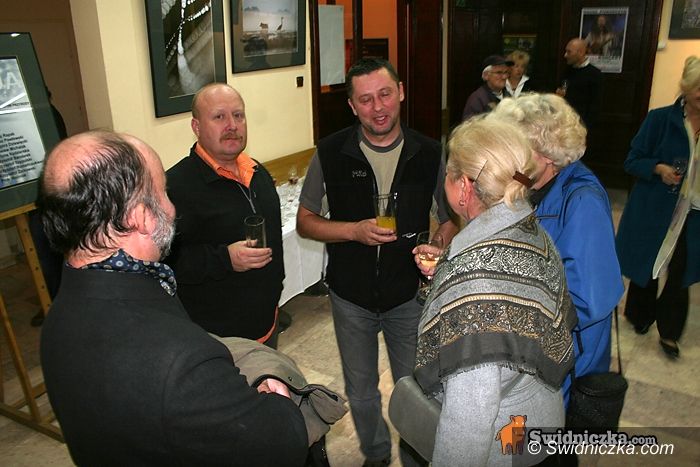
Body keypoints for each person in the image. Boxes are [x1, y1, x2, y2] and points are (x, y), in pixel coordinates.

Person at [36, 130, 308, 465]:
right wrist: (276, 391)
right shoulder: (179, 361)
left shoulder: (58, 320)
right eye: (163, 192)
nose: (172, 206)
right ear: (139, 217)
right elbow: (282, 444)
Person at [297, 57, 458, 467]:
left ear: (400, 92)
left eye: (385, 94)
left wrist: (438, 242)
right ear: (352, 106)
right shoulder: (331, 152)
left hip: (408, 295)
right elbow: (305, 221)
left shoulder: (429, 152)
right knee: (362, 390)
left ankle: (414, 455)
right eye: (365, 100)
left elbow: (452, 218)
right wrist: (353, 231)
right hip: (350, 297)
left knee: (416, 389)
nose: (378, 107)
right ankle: (376, 454)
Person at [413, 117, 576, 466]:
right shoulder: (533, 232)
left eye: (448, 173)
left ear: (464, 187)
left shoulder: (473, 289)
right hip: (542, 414)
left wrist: (460, 278)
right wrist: (449, 269)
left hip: (503, 439)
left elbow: (470, 418)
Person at [490, 93, 624, 407]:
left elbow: (589, 300)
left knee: (548, 432)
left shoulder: (583, 201)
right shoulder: (528, 182)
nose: (511, 160)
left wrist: (516, 322)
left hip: (566, 359)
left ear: (549, 154)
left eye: (519, 151)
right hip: (535, 351)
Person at [166, 83, 283, 346]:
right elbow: (165, 263)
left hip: (267, 322)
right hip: (218, 339)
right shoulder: (174, 187)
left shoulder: (257, 172)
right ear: (196, 127)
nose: (232, 125)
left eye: (238, 115)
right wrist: (225, 259)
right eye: (219, 117)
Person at [616, 55, 700, 359]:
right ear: (686, 87)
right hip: (656, 206)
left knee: (681, 269)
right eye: (699, 87)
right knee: (649, 262)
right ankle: (640, 315)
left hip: (694, 213)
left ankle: (670, 332)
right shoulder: (660, 119)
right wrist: (658, 168)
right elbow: (632, 160)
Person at [556, 38, 603, 129]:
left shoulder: (595, 75)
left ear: (580, 53)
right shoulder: (567, 71)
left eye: (569, 52)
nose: (565, 55)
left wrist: (584, 127)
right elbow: (562, 90)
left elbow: (595, 107)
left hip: (581, 125)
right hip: (563, 122)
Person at [462, 54, 513, 120]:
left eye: (506, 72)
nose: (504, 77)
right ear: (486, 75)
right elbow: (469, 125)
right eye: (499, 73)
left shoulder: (508, 96)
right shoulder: (477, 99)